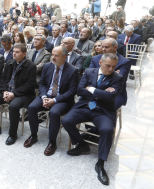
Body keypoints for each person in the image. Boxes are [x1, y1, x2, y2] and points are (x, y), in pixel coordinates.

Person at [62, 53, 124, 186]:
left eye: (114, 66)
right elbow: (79, 90)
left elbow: (110, 97)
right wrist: (102, 92)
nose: (111, 69)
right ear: (100, 62)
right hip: (84, 106)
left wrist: (91, 89)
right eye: (108, 65)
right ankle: (82, 145)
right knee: (67, 121)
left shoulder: (118, 78)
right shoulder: (90, 71)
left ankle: (100, 164)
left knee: (107, 130)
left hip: (103, 110)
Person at [24, 46, 79, 155]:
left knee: (54, 112)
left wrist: (54, 100)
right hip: (46, 96)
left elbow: (72, 91)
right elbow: (42, 83)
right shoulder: (47, 66)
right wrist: (44, 97)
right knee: (31, 107)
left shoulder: (73, 70)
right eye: (52, 54)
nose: (52, 57)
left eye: (56, 55)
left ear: (64, 57)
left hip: (62, 99)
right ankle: (33, 135)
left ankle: (52, 142)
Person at [0, 44, 37, 145]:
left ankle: (12, 134)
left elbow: (30, 85)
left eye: (17, 52)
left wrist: (13, 94)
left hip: (23, 94)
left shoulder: (31, 66)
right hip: (8, 90)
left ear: (24, 54)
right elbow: (3, 78)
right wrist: (4, 91)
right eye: (13, 51)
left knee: (13, 106)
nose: (14, 53)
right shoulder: (10, 63)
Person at [89, 38, 131, 110]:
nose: (103, 49)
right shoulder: (96, 58)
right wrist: (113, 73)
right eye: (103, 47)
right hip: (94, 89)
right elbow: (89, 75)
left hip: (114, 93)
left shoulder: (124, 62)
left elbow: (120, 80)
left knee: (103, 110)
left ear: (115, 47)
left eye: (106, 47)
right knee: (81, 107)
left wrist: (98, 73)